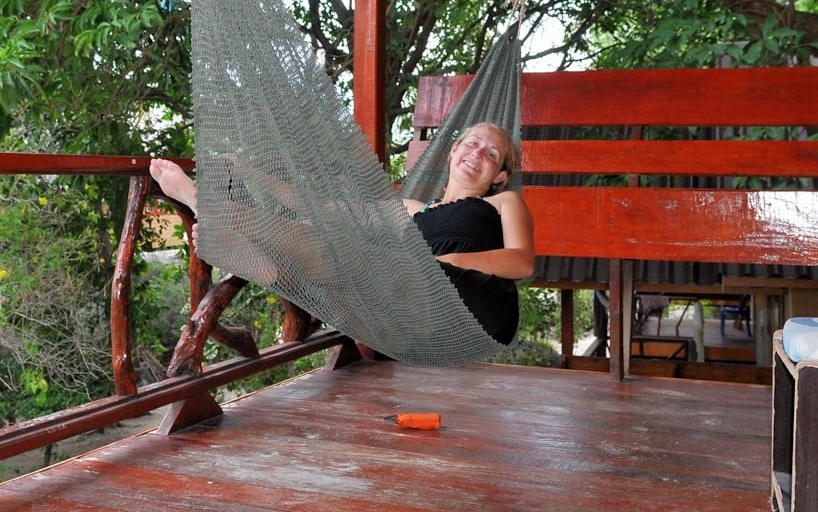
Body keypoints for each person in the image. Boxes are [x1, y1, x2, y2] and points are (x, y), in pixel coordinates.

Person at [149, 121, 535, 345]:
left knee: (355, 260)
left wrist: (448, 263)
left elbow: (521, 262)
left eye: (491, 154)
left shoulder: (503, 203)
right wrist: (252, 176)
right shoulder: (413, 210)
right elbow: (329, 212)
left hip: (475, 308)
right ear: (453, 152)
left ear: (499, 176)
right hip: (413, 317)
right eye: (472, 143)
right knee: (337, 254)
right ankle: (266, 268)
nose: (477, 154)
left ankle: (204, 203)